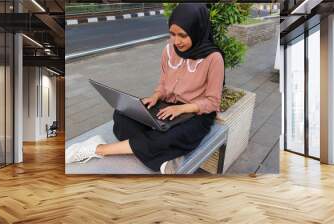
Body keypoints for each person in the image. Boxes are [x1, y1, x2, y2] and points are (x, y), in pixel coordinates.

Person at [66, 3, 225, 174]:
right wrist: (156, 96)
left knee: (169, 137)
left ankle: (99, 149)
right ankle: (163, 159)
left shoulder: (213, 58)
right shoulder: (169, 51)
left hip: (195, 115)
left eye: (183, 35)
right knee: (122, 115)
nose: (176, 41)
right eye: (172, 34)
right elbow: (164, 84)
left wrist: (182, 108)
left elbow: (212, 102)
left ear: (197, 30)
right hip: (166, 107)